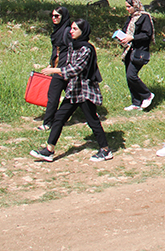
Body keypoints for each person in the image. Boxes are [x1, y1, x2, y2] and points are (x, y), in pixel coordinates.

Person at [31, 19, 112, 162]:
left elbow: (76, 69)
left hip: (85, 90)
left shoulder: (86, 49)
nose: (71, 31)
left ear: (83, 31)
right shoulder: (72, 46)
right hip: (73, 90)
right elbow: (67, 64)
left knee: (92, 120)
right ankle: (49, 150)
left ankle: (105, 150)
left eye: (75, 29)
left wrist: (54, 70)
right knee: (59, 118)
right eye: (71, 28)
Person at [38, 7, 72, 131]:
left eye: (57, 16)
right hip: (57, 67)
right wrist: (51, 64)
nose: (54, 18)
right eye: (52, 15)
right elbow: (56, 50)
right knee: (73, 94)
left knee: (54, 96)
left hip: (63, 69)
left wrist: (62, 68)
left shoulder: (67, 31)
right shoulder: (57, 30)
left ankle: (47, 123)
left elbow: (71, 50)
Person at [120, 0, 155, 111]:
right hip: (128, 50)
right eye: (126, 7)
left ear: (135, 6)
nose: (127, 9)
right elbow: (126, 31)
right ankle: (136, 103)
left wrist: (132, 38)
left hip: (139, 51)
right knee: (128, 77)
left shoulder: (144, 17)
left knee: (132, 75)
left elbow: (147, 34)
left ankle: (147, 95)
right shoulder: (131, 18)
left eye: (129, 7)